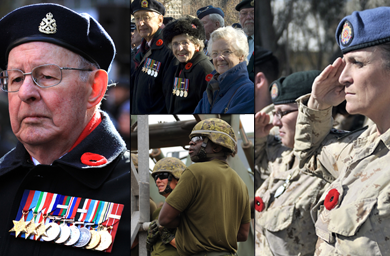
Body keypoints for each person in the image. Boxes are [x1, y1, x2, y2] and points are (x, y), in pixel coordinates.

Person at [0, 3, 130, 255]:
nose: (25, 93)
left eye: (47, 76)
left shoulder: (131, 188)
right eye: (16, 78)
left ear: (95, 89)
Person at [293, 7, 390, 255]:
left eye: (357, 63)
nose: (343, 77)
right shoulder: (364, 146)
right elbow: (310, 156)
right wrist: (317, 105)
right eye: (343, 63)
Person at [255, 71, 330, 256]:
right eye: (275, 113)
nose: (275, 122)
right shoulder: (286, 156)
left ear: (309, 112)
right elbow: (258, 166)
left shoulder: (333, 161)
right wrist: (257, 138)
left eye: (283, 113)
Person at [158, 118, 251, 256]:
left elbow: (164, 219)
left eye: (198, 138)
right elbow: (243, 235)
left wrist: (192, 223)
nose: (191, 142)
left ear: (217, 147)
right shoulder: (241, 184)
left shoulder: (194, 172)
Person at [193, 26, 254, 114]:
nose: (219, 58)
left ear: (241, 56)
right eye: (215, 53)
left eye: (226, 52)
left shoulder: (248, 92)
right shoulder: (210, 90)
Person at [130, 0, 175, 114]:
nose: (140, 23)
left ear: (160, 20)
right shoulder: (142, 50)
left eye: (146, 17)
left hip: (155, 121)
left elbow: (170, 98)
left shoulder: (169, 50)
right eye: (137, 18)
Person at [162, 16, 214, 113]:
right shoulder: (179, 65)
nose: (180, 48)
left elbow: (208, 108)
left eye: (185, 42)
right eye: (175, 44)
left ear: (197, 44)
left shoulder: (203, 68)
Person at [147, 157, 186, 256]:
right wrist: (150, 240)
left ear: (177, 178)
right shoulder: (158, 212)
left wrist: (169, 237)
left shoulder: (189, 209)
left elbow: (195, 248)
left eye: (162, 176)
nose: (158, 181)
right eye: (156, 177)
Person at [236, 0, 254, 81]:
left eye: (253, 13)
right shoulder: (235, 42)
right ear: (239, 17)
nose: (248, 17)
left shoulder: (266, 41)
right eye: (244, 13)